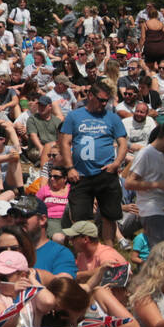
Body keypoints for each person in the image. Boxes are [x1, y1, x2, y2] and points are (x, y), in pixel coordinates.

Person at [58, 80, 128, 243]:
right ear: (90, 96)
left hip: (106, 172)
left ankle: (109, 252)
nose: (104, 104)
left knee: (109, 216)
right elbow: (65, 142)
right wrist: (69, 168)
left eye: (107, 101)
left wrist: (116, 163)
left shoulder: (112, 117)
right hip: (81, 174)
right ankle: (84, 251)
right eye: (101, 100)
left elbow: (123, 143)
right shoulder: (74, 116)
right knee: (80, 217)